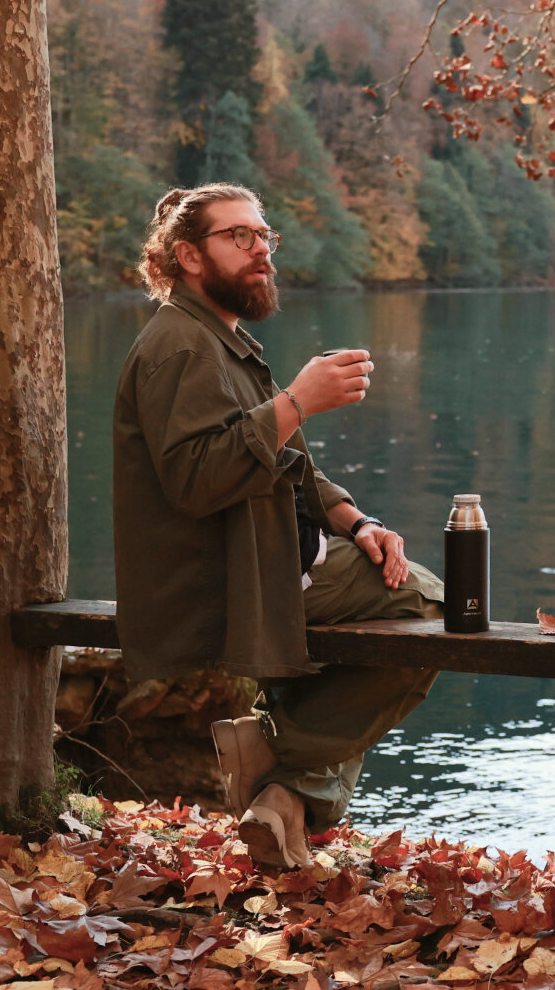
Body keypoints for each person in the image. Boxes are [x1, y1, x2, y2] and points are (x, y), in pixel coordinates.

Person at [112, 182, 443, 869]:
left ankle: (285, 793)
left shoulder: (220, 338)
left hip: (277, 561)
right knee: (432, 608)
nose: (261, 250)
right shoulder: (178, 346)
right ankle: (282, 763)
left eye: (266, 236)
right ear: (189, 256)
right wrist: (296, 400)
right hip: (229, 584)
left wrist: (359, 523)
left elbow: (288, 464)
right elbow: (197, 478)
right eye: (240, 237)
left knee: (415, 597)